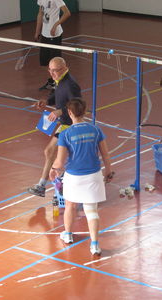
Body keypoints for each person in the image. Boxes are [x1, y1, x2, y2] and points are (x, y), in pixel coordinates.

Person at [49, 98, 113, 255]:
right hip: (94, 175)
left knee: (70, 205)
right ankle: (95, 244)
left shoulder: (65, 134)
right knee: (91, 210)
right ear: (84, 112)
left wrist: (53, 169)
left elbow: (60, 160)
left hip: (74, 177)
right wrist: (109, 171)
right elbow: (105, 154)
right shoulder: (96, 130)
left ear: (70, 113)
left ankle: (68, 235)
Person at [28, 57, 81, 197]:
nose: (51, 73)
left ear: (64, 68)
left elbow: (77, 104)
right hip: (63, 123)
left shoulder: (71, 84)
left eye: (54, 70)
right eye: (49, 70)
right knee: (50, 152)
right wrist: (46, 101)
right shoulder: (59, 80)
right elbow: (57, 95)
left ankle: (48, 183)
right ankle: (48, 183)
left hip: (70, 125)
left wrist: (60, 111)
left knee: (50, 151)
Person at [34, 0, 71, 90]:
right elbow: (40, 14)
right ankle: (52, 82)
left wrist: (55, 25)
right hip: (44, 34)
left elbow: (67, 13)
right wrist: (37, 31)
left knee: (56, 63)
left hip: (54, 35)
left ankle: (59, 85)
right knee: (45, 62)